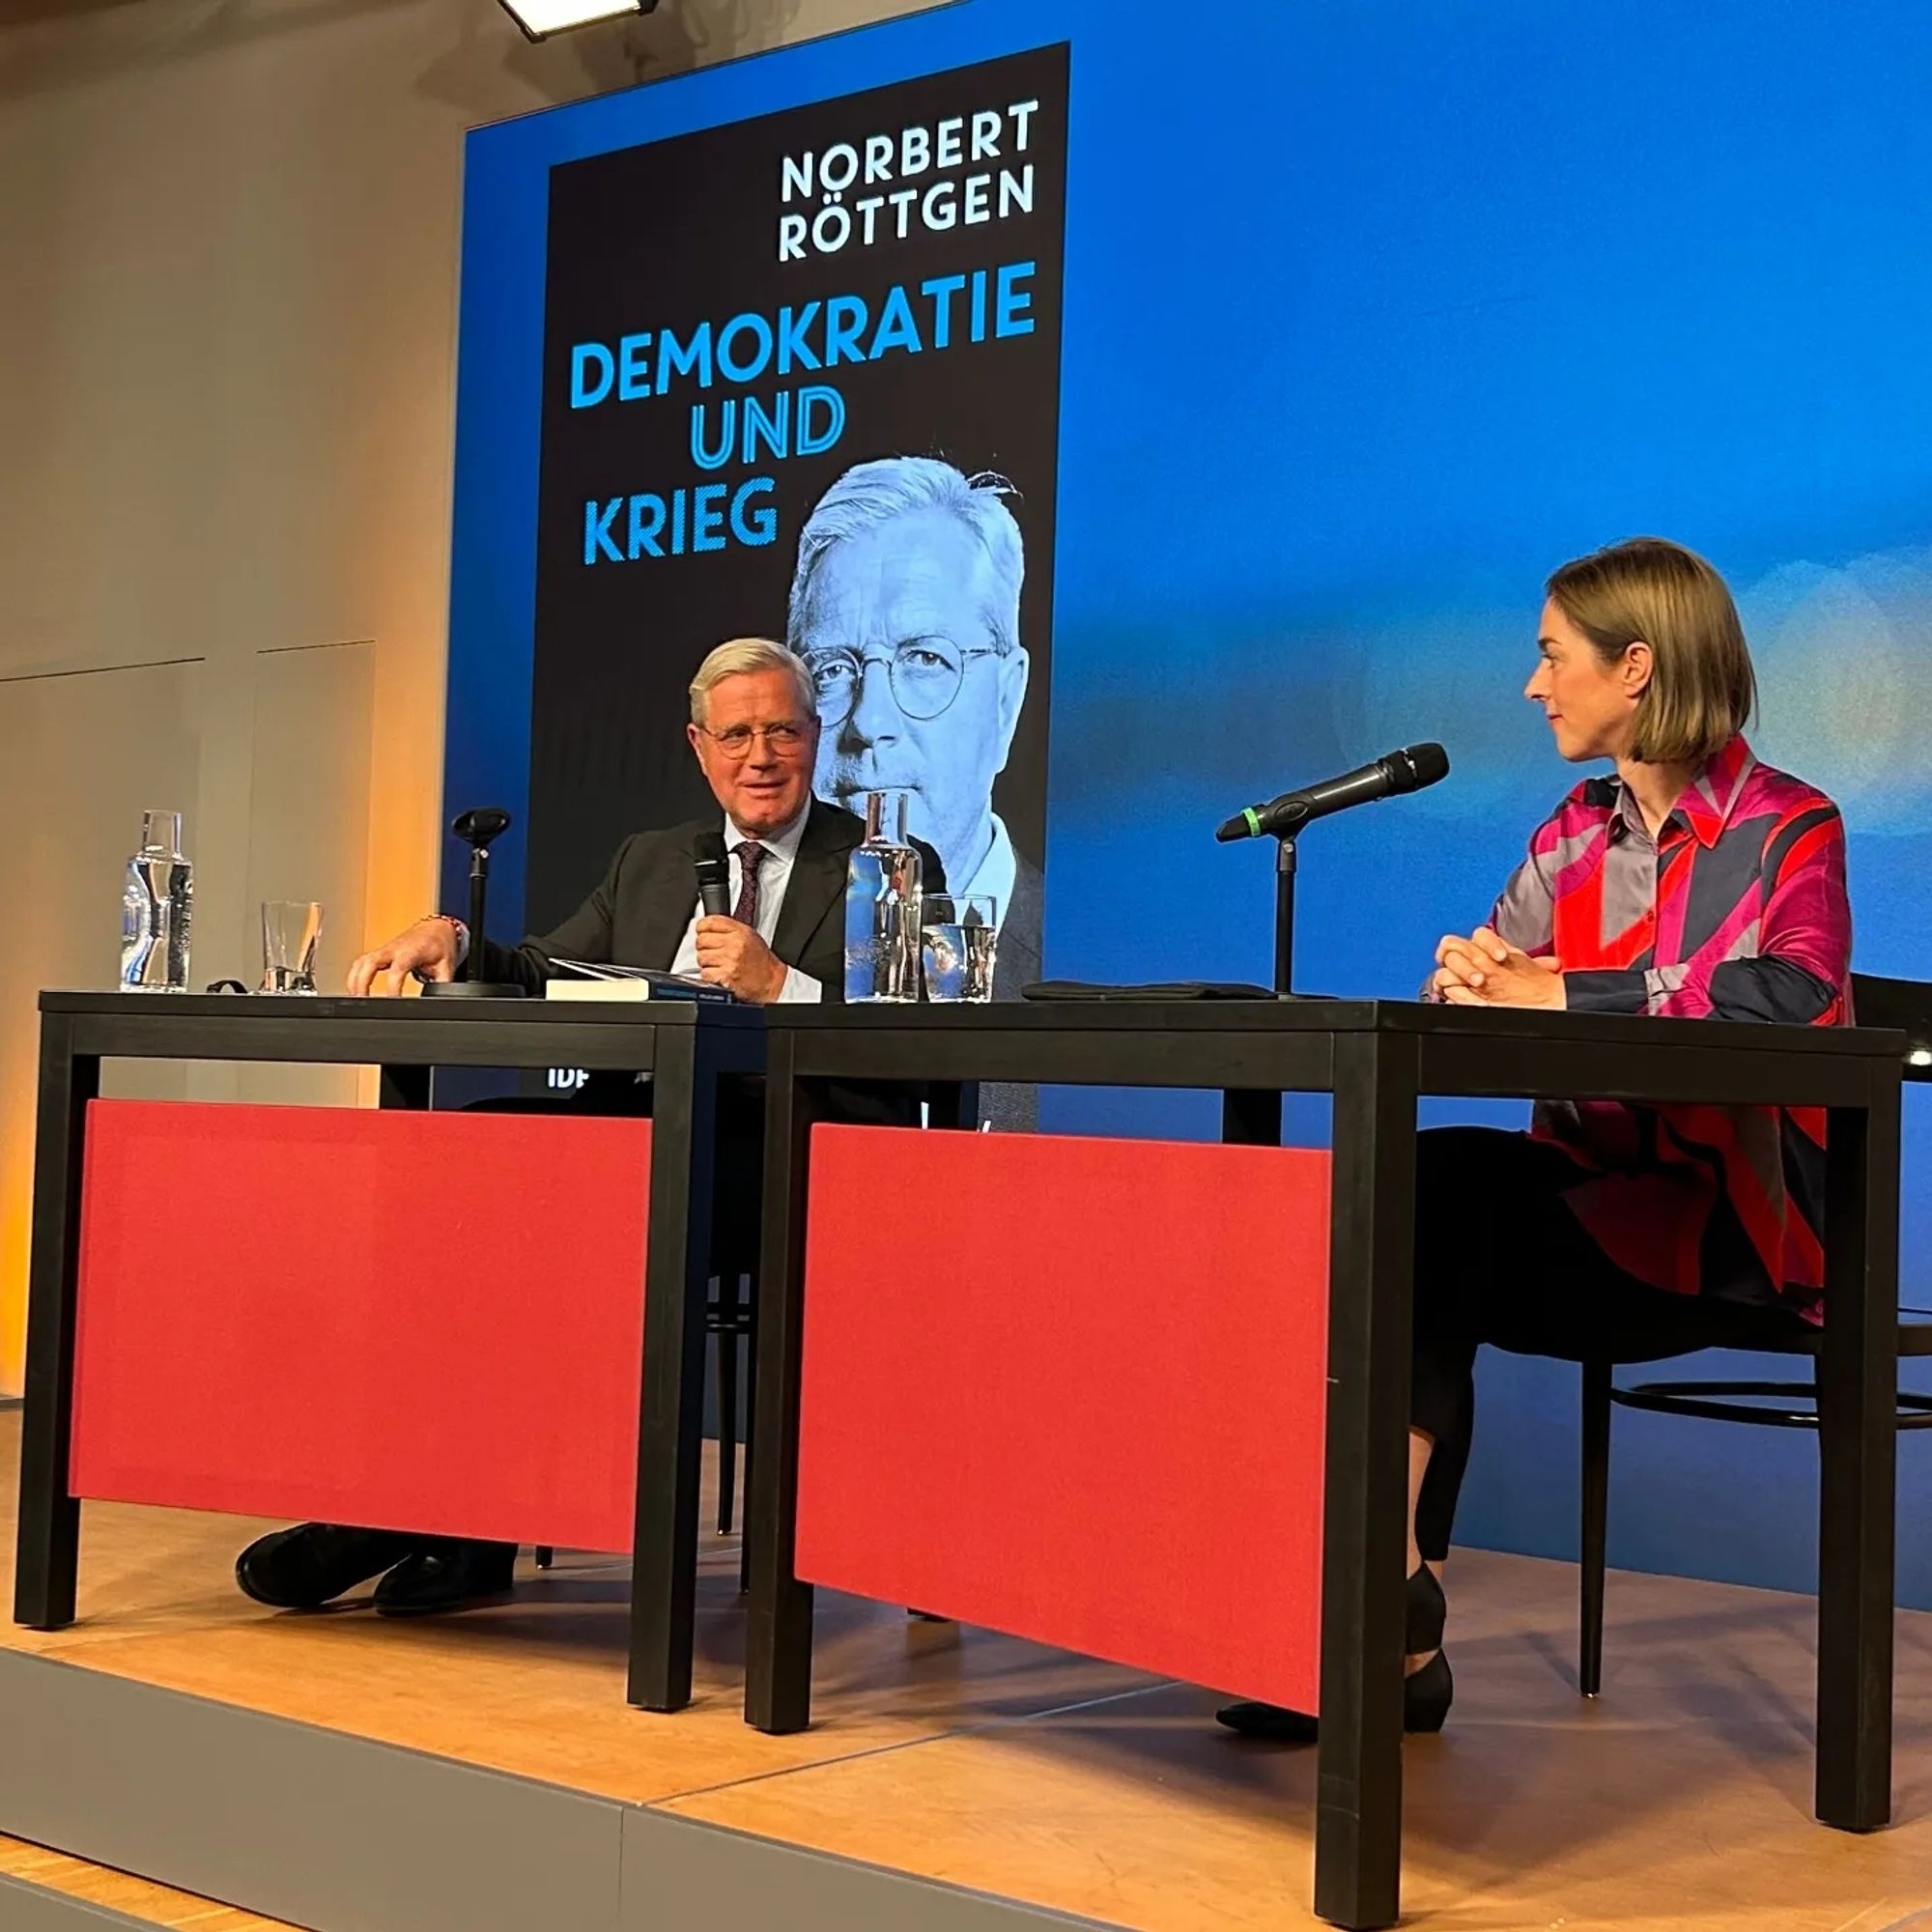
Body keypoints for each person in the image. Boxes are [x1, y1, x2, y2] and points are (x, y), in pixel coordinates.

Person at [1217, 537, 1851, 1742]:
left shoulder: (1788, 826)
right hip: (1588, 1211)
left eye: (1550, 655)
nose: (1530, 684)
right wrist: (1468, 975)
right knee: (1418, 1191)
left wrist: (1567, 991)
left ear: (1635, 666)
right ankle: (1390, 1591)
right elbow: (1505, 972)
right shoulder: (1574, 829)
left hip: (1732, 1244)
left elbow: (1791, 991)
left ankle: (1382, 1617)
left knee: (1441, 1199)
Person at [234, 638, 935, 1616]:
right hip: (643, 1135)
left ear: (818, 738)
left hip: (790, 1156)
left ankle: (441, 1519)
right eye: (736, 734)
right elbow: (547, 965)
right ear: (698, 746)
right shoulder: (650, 861)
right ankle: (413, 1499)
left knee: (561, 1217)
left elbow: (921, 1040)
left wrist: (783, 986)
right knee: (460, 1161)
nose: (761, 754)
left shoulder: (878, 860)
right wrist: (459, 938)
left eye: (783, 729)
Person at [788, 455, 1042, 1001]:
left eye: (925, 659)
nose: (870, 722)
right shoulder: (765, 931)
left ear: (1005, 701)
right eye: (832, 670)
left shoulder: (1080, 949)